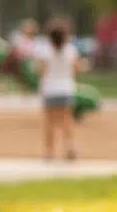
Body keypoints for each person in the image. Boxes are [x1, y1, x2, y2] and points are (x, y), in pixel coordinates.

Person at [33, 17, 82, 160]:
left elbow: (41, 70)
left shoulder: (45, 51)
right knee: (67, 120)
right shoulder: (71, 50)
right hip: (66, 88)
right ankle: (70, 146)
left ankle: (48, 151)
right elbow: (77, 68)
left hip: (50, 89)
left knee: (49, 122)